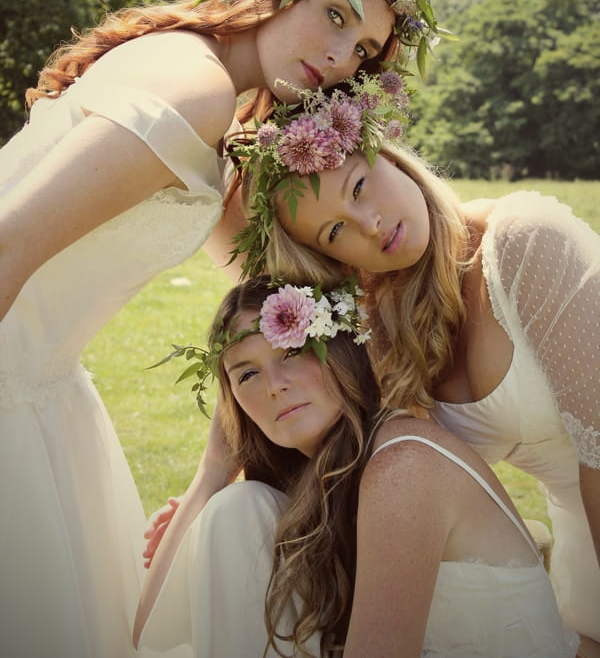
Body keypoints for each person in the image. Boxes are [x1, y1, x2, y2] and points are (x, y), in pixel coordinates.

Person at [0, 0, 445, 658]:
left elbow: (271, 284)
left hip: (42, 391)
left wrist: (220, 470)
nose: (344, 57)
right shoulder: (195, 88)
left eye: (365, 51)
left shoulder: (206, 99)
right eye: (337, 15)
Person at [222, 75, 600, 648]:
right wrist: (211, 489)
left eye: (358, 187)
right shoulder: (380, 326)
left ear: (390, 156)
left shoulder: (526, 246)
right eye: (335, 231)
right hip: (582, 550)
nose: (370, 224)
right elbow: (327, 446)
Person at [135, 276, 579, 657]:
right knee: (236, 508)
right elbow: (147, 637)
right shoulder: (314, 495)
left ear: (339, 347)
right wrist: (213, 470)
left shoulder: (404, 467)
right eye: (246, 375)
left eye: (291, 351)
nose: (274, 386)